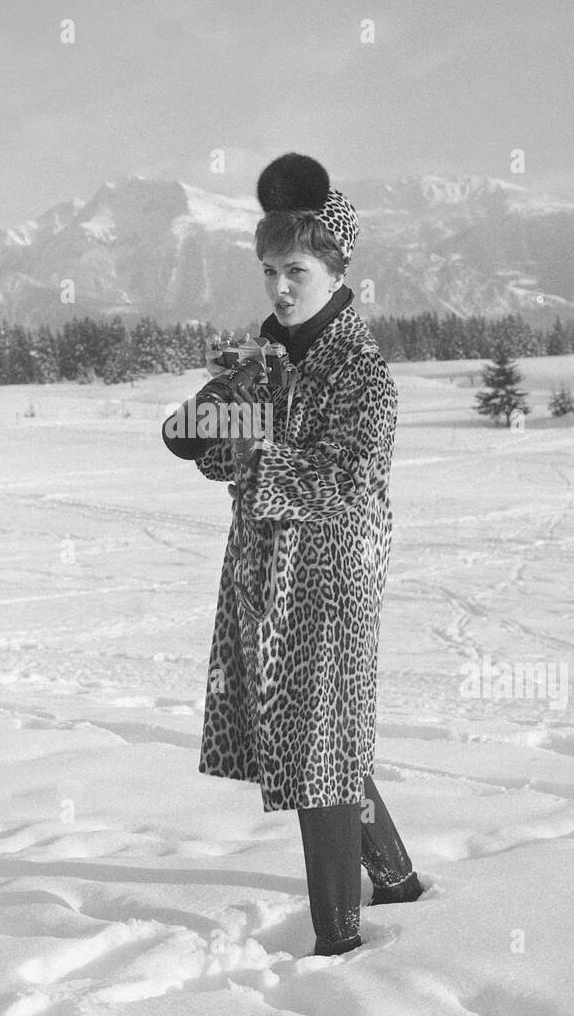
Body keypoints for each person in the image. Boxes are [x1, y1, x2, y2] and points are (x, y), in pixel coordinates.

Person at [162, 153, 423, 958]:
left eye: (296, 270)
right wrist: (214, 409)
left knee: (319, 747)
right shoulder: (268, 361)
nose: (278, 286)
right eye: (269, 269)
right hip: (264, 576)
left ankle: (339, 947)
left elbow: (341, 479)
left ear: (336, 270)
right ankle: (402, 881)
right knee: (326, 736)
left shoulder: (364, 374)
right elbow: (184, 442)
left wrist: (247, 449)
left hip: (336, 574)